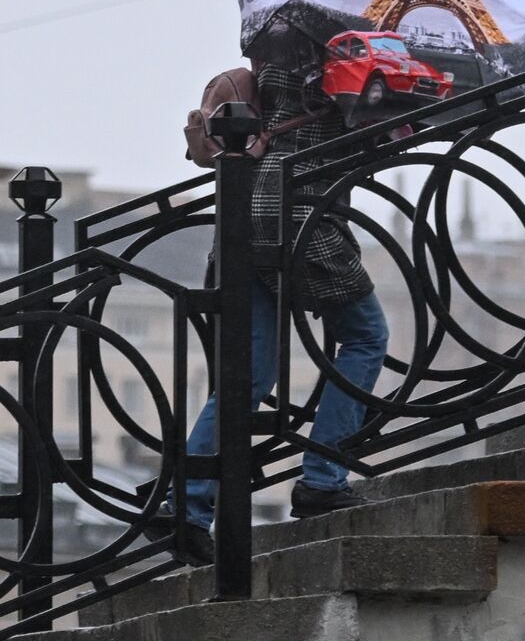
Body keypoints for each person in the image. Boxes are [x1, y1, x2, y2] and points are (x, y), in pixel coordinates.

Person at [147, 62, 389, 566]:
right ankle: (323, 478)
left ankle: (186, 509)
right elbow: (376, 134)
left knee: (248, 375)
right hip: (299, 215)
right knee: (365, 337)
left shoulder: (275, 41)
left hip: (248, 210)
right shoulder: (348, 53)